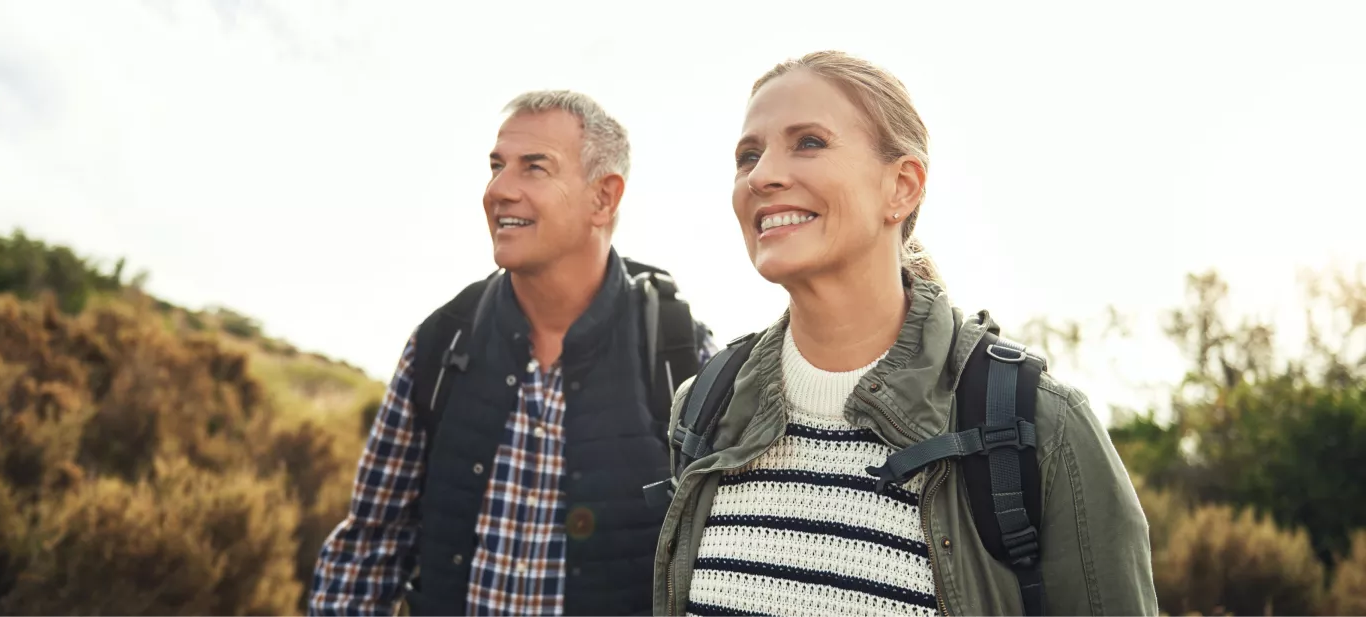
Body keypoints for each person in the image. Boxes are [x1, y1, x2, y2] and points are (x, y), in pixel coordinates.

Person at [650, 51, 1157, 616]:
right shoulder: (704, 408)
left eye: (809, 142)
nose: (762, 174)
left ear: (902, 186)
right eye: (749, 155)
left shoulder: (1040, 425)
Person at [309, 90, 718, 617]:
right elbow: (368, 550)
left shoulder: (681, 353)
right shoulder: (440, 342)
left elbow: (716, 569)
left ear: (603, 198)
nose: (498, 189)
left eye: (534, 168)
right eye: (497, 166)